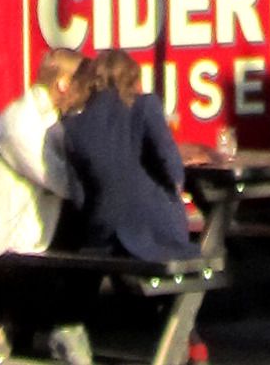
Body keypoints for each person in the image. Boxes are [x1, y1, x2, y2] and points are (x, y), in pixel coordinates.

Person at [62, 48, 192, 262]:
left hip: (103, 235)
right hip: (155, 232)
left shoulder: (72, 126)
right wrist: (176, 187)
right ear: (132, 77)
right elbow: (169, 163)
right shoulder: (145, 106)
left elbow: (79, 194)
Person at [0, 48, 84, 255]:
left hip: (30, 238)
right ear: (64, 83)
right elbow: (60, 180)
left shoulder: (51, 117)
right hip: (5, 238)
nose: (86, 94)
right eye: (83, 86)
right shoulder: (20, 123)